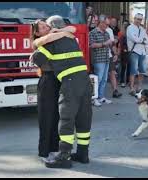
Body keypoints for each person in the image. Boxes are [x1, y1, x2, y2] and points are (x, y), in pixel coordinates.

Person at [35, 15, 93, 169]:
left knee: (67, 119)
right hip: (85, 81)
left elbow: (36, 59)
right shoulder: (72, 39)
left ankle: (64, 156)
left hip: (70, 83)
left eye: (46, 27)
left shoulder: (52, 41)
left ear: (52, 28)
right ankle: (83, 153)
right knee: (83, 118)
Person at [29, 19, 76, 164]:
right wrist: (58, 32)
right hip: (47, 82)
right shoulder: (42, 42)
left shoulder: (52, 38)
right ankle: (44, 152)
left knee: (57, 117)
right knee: (46, 118)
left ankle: (54, 149)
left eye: (46, 25)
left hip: (58, 80)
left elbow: (72, 30)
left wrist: (57, 31)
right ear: (37, 33)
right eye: (42, 27)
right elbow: (64, 34)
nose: (47, 27)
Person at [89, 14, 114, 106]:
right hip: (98, 59)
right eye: (106, 24)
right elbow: (91, 45)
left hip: (106, 58)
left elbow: (108, 45)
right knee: (97, 79)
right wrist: (104, 43)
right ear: (101, 23)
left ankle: (101, 97)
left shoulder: (106, 33)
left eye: (108, 25)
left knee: (104, 79)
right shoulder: (93, 33)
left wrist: (111, 45)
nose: (107, 26)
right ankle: (94, 99)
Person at [126, 13, 148, 96]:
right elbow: (134, 39)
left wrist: (142, 40)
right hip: (134, 51)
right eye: (137, 19)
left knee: (142, 71)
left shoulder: (142, 29)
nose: (139, 21)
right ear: (134, 18)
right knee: (133, 70)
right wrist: (142, 40)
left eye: (140, 19)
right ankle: (132, 88)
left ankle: (139, 87)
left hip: (142, 52)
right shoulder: (130, 28)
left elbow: (147, 40)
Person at [106, 17, 122, 98]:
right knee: (101, 76)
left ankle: (115, 90)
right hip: (99, 56)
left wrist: (115, 54)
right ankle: (98, 95)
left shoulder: (109, 30)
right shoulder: (94, 31)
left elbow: (112, 44)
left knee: (112, 72)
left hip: (109, 55)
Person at [118, 20, 131, 88]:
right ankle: (122, 81)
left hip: (130, 52)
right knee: (123, 67)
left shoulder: (131, 35)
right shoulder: (123, 35)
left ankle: (128, 81)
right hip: (124, 53)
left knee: (129, 67)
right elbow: (121, 44)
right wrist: (124, 49)